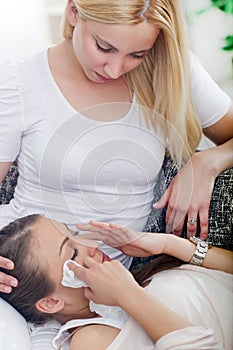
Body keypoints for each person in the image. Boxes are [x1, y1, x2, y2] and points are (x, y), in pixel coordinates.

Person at [0, 0, 233, 292]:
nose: (114, 70)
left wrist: (208, 161)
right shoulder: (20, 82)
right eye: (104, 47)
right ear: (73, 12)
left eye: (137, 54)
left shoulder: (171, 71)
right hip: (21, 274)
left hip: (108, 287)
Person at [0, 214, 232, 350]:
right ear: (51, 303)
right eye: (72, 254)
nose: (91, 246)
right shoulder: (91, 340)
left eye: (74, 234)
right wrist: (127, 295)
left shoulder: (135, 282)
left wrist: (168, 245)